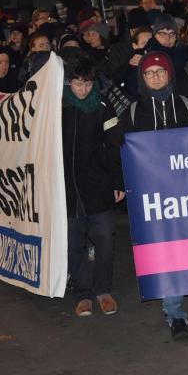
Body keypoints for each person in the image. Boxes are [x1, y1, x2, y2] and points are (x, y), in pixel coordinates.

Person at [120, 51, 188, 340]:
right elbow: (123, 153)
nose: (155, 77)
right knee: (168, 251)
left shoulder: (186, 104)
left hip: (186, 192)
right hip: (152, 196)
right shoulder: (132, 112)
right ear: (142, 78)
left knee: (187, 247)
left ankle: (184, 290)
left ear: (170, 75)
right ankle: (175, 313)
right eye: (149, 73)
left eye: (161, 72)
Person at [62, 54, 126, 317]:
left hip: (98, 185)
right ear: (68, 83)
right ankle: (82, 293)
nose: (82, 89)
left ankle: (103, 290)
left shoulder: (102, 105)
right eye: (77, 84)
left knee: (104, 240)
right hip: (66, 188)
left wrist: (117, 180)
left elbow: (115, 144)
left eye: (87, 83)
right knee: (73, 242)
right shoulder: (56, 107)